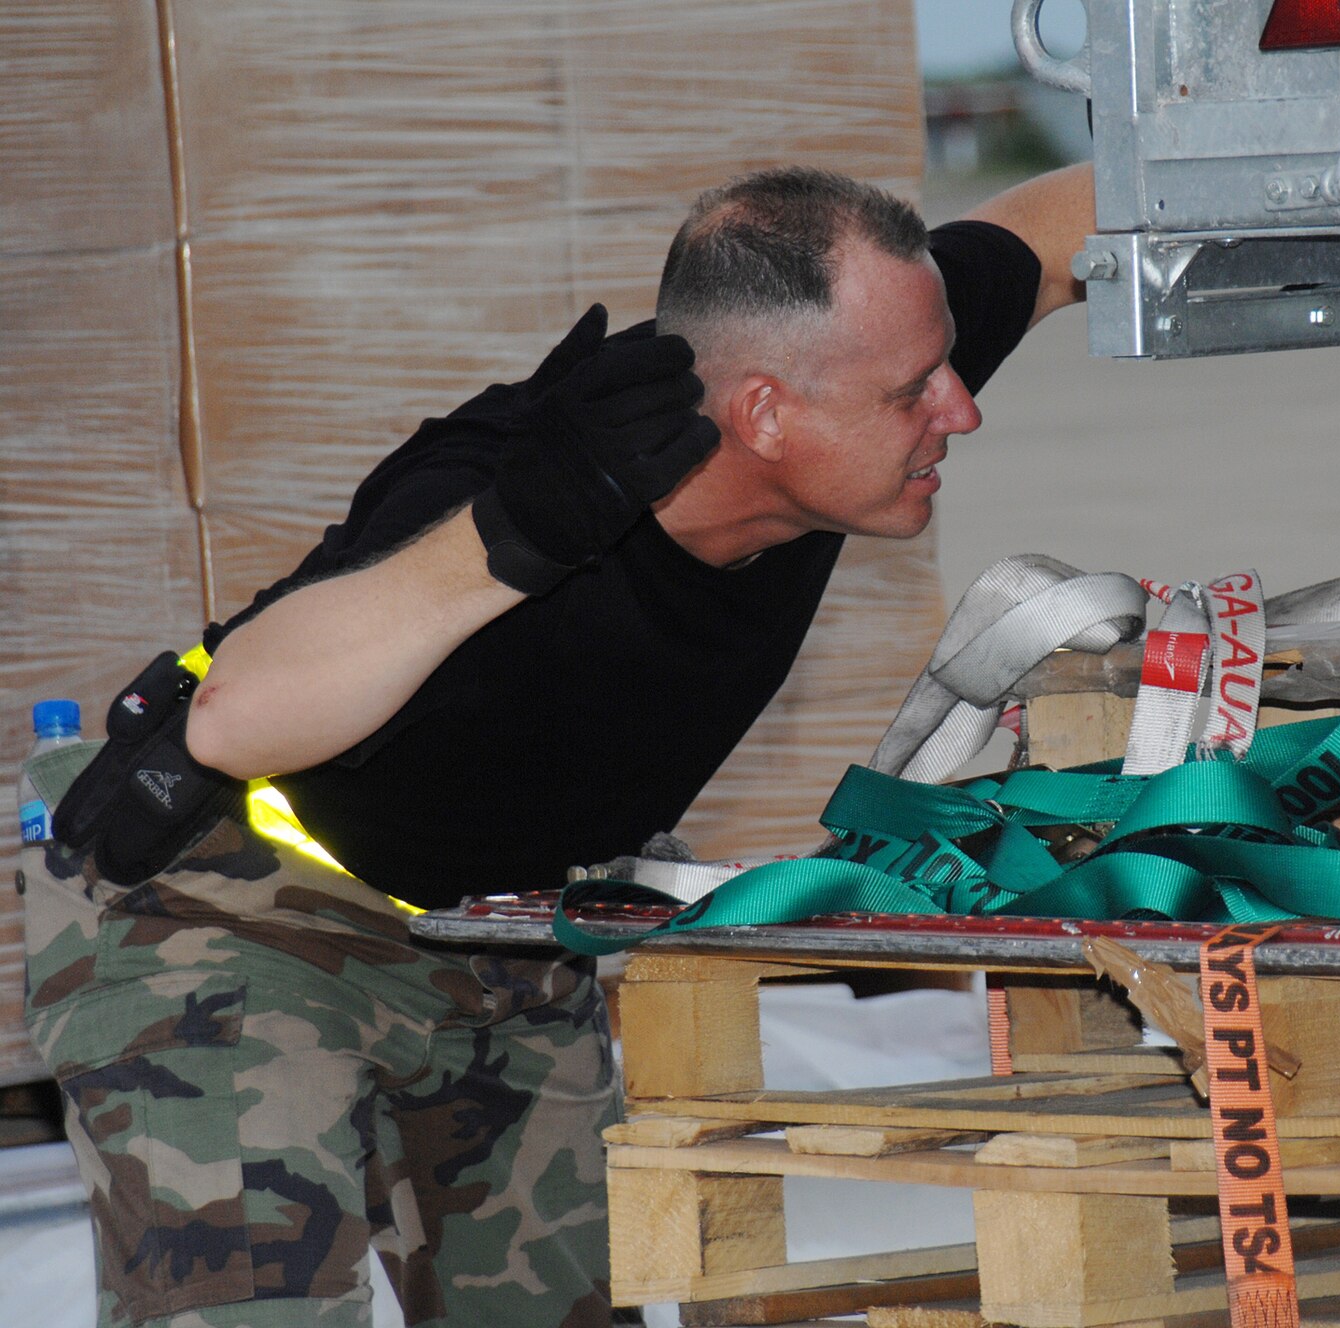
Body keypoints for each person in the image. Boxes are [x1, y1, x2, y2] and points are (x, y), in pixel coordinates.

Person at [27, 162, 1094, 1328]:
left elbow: (1049, 233)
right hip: (245, 919)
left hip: (507, 935)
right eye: (915, 390)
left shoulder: (851, 363)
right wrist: (516, 533)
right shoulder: (506, 481)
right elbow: (234, 717)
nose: (960, 407)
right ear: (765, 415)